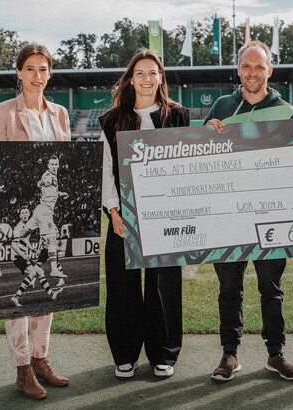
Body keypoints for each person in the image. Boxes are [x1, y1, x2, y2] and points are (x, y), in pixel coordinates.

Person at [204, 41, 293, 382]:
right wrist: (207, 134)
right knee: (229, 289)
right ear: (238, 70)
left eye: (259, 67)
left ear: (269, 71)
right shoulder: (221, 106)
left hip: (269, 217)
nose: (252, 73)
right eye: (247, 66)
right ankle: (229, 355)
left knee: (270, 288)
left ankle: (276, 354)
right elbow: (200, 158)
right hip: (227, 216)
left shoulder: (288, 111)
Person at [0, 43, 70, 400]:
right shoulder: (3, 112)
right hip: (16, 214)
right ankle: (22, 370)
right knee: (17, 297)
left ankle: (41, 360)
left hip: (47, 213)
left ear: (50, 73)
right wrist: (22, 170)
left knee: (47, 288)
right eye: (30, 68)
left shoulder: (60, 114)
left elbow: (67, 161)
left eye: (43, 69)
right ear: (19, 72)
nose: (37, 76)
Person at [99, 48, 187, 380]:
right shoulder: (111, 120)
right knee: (123, 286)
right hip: (124, 217)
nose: (147, 78)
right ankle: (124, 354)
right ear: (131, 79)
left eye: (153, 73)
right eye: (140, 73)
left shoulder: (178, 115)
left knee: (163, 284)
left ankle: (163, 354)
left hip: (165, 217)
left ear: (160, 78)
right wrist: (114, 212)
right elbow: (106, 171)